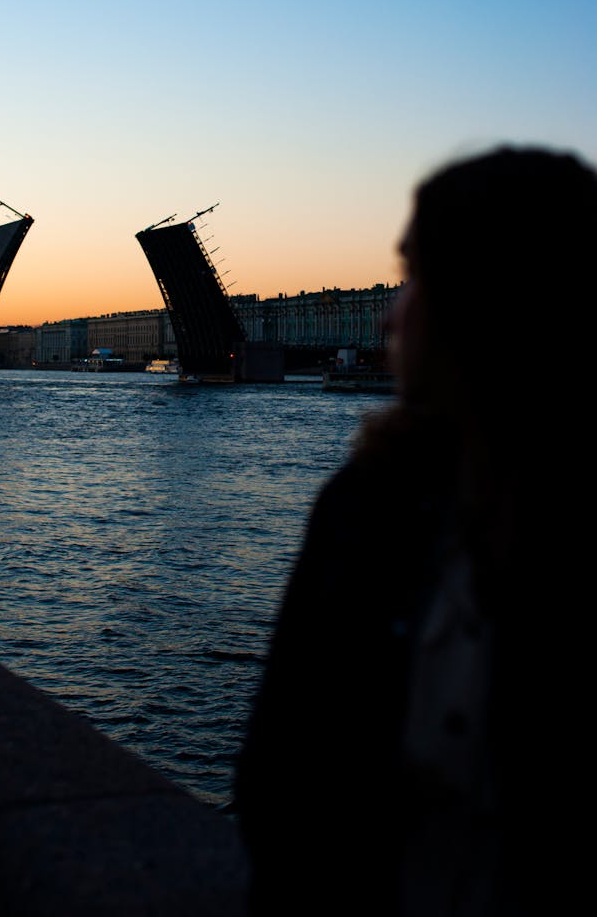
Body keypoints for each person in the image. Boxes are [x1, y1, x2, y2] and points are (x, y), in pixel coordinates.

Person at [234, 144, 597, 914]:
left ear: (494, 303)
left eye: (419, 277)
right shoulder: (364, 502)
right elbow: (276, 791)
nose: (395, 314)